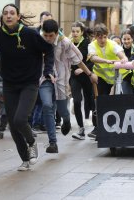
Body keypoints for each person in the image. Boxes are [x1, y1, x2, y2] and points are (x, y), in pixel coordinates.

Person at [0, 4, 54, 171]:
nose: (8, 16)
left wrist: (47, 71)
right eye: (5, 13)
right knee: (13, 124)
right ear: (2, 17)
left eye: (12, 13)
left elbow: (49, 49)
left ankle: (32, 141)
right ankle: (25, 159)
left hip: (29, 83)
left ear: (18, 16)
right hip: (10, 83)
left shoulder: (29, 34)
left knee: (20, 119)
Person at [40, 19, 97, 153]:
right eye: (45, 35)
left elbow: (79, 61)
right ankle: (52, 142)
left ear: (56, 33)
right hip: (45, 79)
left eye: (51, 36)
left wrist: (90, 74)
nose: (48, 39)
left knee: (63, 111)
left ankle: (66, 120)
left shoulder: (65, 43)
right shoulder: (39, 40)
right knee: (47, 106)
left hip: (61, 81)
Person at [88, 23, 128, 138]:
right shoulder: (92, 45)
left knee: (115, 102)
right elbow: (93, 58)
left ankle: (116, 126)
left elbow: (121, 54)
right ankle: (98, 128)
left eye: (105, 36)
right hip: (101, 77)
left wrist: (124, 59)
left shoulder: (112, 44)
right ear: (95, 37)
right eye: (100, 37)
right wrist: (106, 61)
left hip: (116, 78)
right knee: (100, 102)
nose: (103, 39)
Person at [70, 22, 95, 140]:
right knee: (77, 100)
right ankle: (81, 129)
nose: (75, 34)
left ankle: (96, 128)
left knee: (90, 101)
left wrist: (82, 69)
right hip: (74, 77)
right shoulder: (68, 43)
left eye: (77, 31)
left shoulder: (87, 44)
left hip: (87, 76)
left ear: (81, 32)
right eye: (73, 31)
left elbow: (91, 62)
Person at [120, 29, 134, 94]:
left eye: (128, 39)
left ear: (132, 39)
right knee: (128, 99)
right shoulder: (118, 50)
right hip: (124, 79)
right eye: (124, 39)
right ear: (121, 39)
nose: (126, 41)